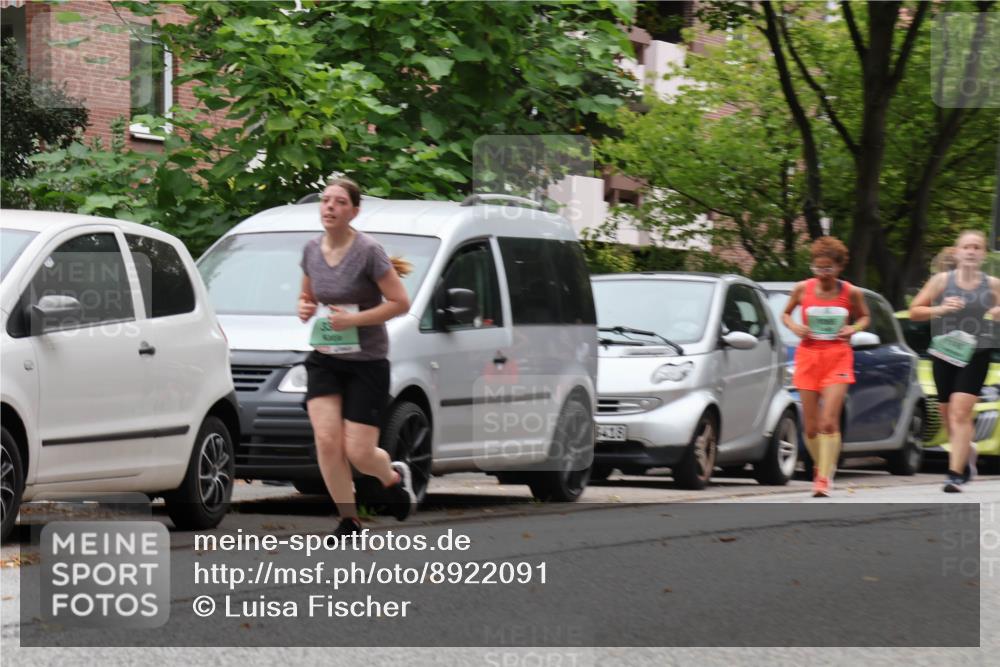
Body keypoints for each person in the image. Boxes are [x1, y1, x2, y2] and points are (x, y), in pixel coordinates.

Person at [298, 177, 415, 538]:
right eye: (325, 200)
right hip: (326, 358)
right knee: (326, 440)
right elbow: (308, 295)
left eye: (339, 202)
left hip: (367, 363)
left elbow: (400, 303)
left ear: (354, 211)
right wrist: (304, 307)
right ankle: (348, 519)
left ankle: (392, 478)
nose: (330, 207)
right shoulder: (311, 250)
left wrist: (354, 320)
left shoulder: (368, 251)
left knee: (359, 453)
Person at [909, 229, 1000, 493]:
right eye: (966, 247)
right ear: (958, 252)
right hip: (945, 352)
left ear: (983, 254)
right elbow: (915, 311)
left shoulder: (993, 284)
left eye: (977, 247)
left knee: (961, 412)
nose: (971, 251)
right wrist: (940, 308)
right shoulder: (941, 281)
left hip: (976, 353)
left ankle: (954, 474)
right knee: (948, 415)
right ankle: (966, 451)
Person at [783, 236, 870, 497]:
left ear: (839, 266)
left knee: (828, 422)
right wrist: (795, 326)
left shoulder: (850, 292)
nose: (822, 273)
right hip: (808, 357)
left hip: (838, 357)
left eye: (828, 268)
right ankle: (821, 464)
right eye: (818, 267)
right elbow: (785, 314)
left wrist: (853, 328)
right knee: (810, 427)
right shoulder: (802, 289)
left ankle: (823, 477)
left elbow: (865, 316)